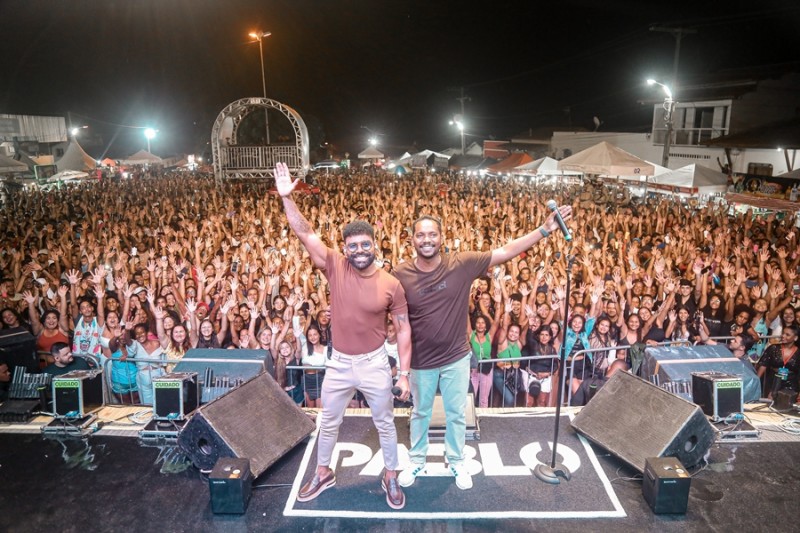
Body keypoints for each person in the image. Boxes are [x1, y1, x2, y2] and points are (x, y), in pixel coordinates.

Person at [395, 205, 571, 491]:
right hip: (421, 361)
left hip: (456, 358)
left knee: (455, 413)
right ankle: (417, 459)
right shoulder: (401, 272)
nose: (426, 240)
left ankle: (455, 460)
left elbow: (504, 251)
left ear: (441, 237)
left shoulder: (462, 264)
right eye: (420, 235)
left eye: (432, 234)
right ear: (411, 239)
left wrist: (543, 230)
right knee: (420, 412)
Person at [275, 162, 412, 510]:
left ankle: (390, 474)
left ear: (374, 245)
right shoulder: (335, 264)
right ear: (346, 248)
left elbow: (404, 328)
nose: (359, 250)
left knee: (385, 422)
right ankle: (323, 472)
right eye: (352, 246)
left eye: (365, 244)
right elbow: (305, 233)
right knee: (328, 421)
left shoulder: (391, 284)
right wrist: (287, 198)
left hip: (374, 363)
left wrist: (405, 374)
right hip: (339, 363)